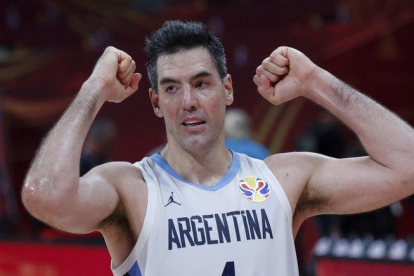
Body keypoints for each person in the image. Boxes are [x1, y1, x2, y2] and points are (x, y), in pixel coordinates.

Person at [22, 21, 414, 276]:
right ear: (156, 103)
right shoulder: (133, 188)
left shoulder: (282, 179)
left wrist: (315, 81)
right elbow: (45, 197)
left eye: (202, 83)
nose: (188, 101)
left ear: (227, 90)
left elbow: (407, 166)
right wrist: (93, 90)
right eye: (171, 88)